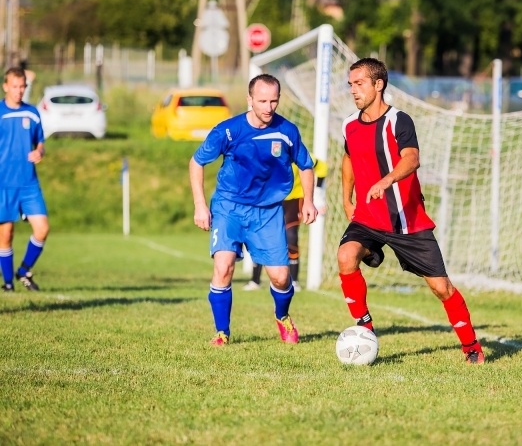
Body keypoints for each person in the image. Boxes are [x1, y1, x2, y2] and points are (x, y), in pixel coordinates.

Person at [337, 58, 486, 365]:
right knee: (345, 257)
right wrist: (346, 198)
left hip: (407, 220)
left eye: (359, 83)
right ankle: (365, 329)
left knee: (441, 288)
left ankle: (471, 346)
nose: (353, 90)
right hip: (367, 216)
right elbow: (349, 159)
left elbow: (412, 159)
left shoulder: (398, 121)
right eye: (350, 84)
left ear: (378, 85)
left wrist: (386, 180)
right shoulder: (349, 124)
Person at [189, 73, 317, 346]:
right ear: (249, 99)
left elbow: (306, 165)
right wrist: (200, 205)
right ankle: (222, 332)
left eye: (273, 101)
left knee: (282, 278)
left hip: (268, 211)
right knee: (223, 266)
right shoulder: (228, 130)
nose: (268, 107)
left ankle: (282, 316)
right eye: (262, 101)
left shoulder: (287, 131)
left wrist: (308, 200)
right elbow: (196, 162)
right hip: (229, 207)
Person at [243, 155, 328, 292]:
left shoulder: (300, 153)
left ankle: (294, 281)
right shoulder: (265, 151)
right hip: (270, 200)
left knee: (291, 236)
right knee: (262, 236)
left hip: (293, 200)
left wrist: (317, 194)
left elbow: (322, 167)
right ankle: (255, 280)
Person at [0, 67, 49, 292]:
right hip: (4, 184)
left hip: (29, 183)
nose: (19, 91)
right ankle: (8, 283)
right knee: (6, 234)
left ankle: (24, 270)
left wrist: (39, 151)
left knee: (42, 229)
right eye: (15, 87)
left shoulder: (32, 112)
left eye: (22, 87)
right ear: (5, 87)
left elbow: (40, 141)